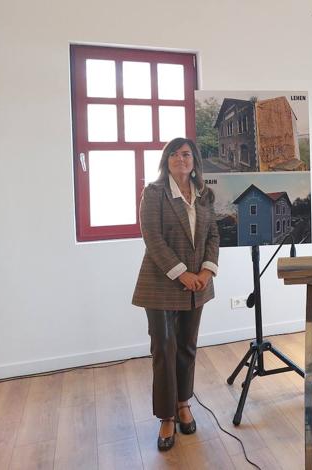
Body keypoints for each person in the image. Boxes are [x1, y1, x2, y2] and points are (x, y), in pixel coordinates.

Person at [132, 137, 220, 451]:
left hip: (198, 283)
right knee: (164, 348)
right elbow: (152, 239)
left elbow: (213, 235)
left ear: (194, 160)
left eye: (186, 154)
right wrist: (183, 273)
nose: (180, 159)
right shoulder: (154, 193)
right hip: (161, 283)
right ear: (166, 160)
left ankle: (184, 403)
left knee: (187, 346)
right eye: (174, 154)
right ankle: (167, 416)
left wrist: (207, 271)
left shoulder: (206, 195)